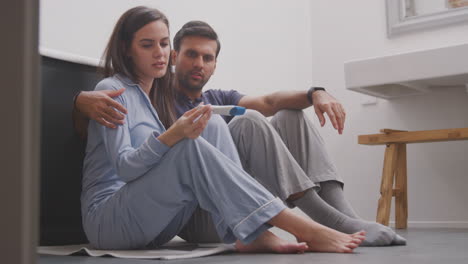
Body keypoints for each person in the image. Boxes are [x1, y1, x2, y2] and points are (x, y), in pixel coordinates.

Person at [75, 16, 404, 246]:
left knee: (289, 115)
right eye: (190, 54)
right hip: (191, 209)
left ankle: (342, 216)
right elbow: (108, 139)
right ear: (175, 57)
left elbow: (271, 100)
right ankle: (315, 223)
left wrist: (316, 92)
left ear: (215, 64)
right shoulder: (154, 95)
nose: (198, 64)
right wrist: (79, 101)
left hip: (225, 196)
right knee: (246, 121)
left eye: (207, 58)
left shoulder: (215, 98)